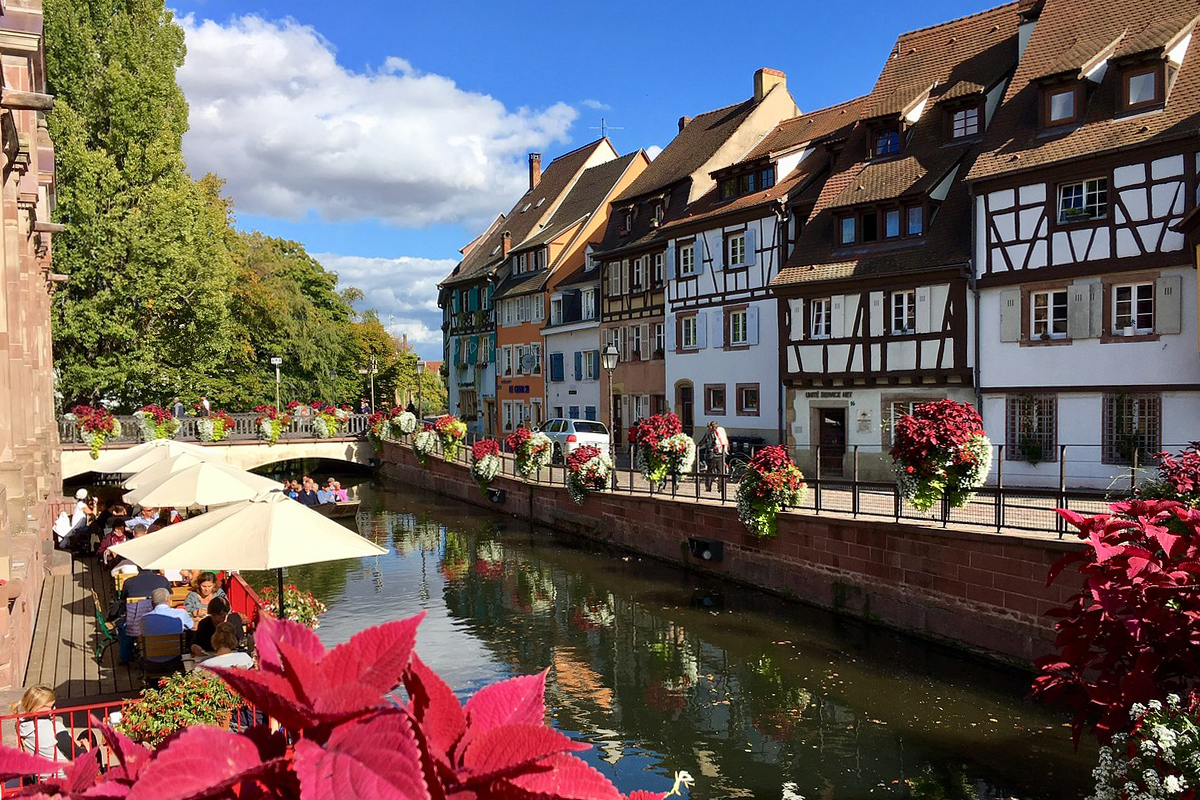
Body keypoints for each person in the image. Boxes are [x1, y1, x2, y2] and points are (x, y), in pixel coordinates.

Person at [11, 686, 92, 763]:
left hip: (41, 774)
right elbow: (77, 756)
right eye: (51, 706)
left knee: (84, 736)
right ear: (38, 707)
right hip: (65, 774)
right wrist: (86, 748)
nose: (55, 709)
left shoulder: (21, 725)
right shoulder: (55, 728)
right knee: (90, 738)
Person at [698, 421, 730, 492]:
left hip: (713, 455)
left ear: (710, 427)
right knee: (721, 471)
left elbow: (705, 442)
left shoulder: (709, 434)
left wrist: (698, 446)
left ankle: (708, 487)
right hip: (721, 453)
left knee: (710, 471)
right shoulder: (721, 430)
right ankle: (720, 487)